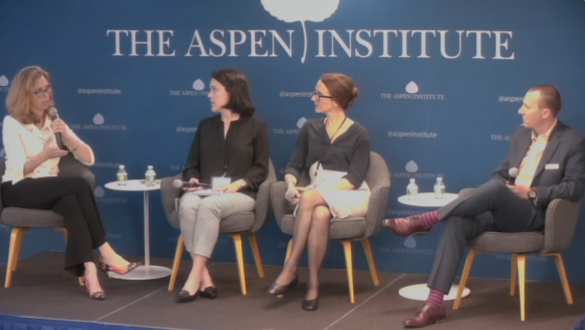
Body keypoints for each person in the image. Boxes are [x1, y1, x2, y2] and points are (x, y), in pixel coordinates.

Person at [383, 85, 585, 327]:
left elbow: (574, 187)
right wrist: (503, 188)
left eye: (527, 106)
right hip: (503, 208)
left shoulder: (573, 141)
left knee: (496, 189)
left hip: (536, 214)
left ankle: (423, 221)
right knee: (458, 220)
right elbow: (500, 173)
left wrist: (531, 191)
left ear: (545, 112)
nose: (520, 110)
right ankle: (434, 304)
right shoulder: (521, 135)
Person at [1, 66, 139, 300]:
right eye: (39, 91)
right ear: (25, 95)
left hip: (50, 190)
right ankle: (105, 252)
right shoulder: (12, 123)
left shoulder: (54, 121)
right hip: (17, 189)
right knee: (76, 184)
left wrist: (66, 135)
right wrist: (45, 154)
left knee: (71, 202)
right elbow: (17, 169)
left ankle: (90, 271)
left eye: (48, 89)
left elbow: (89, 158)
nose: (47, 95)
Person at [268, 73, 371, 311]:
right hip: (316, 192)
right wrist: (292, 185)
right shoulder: (310, 128)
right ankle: (313, 284)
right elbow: (294, 164)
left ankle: (290, 269)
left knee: (312, 196)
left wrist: (316, 191)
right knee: (320, 214)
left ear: (335, 100)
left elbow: (354, 179)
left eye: (318, 94)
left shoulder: (360, 133)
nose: (313, 98)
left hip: (350, 194)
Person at [175, 68, 269, 303]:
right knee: (187, 204)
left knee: (209, 207)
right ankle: (204, 276)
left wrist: (238, 184)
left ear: (232, 92)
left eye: (215, 89)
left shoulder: (256, 126)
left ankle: (193, 276)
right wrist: (194, 180)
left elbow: (260, 168)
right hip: (207, 190)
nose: (210, 94)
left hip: (242, 194)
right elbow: (191, 164)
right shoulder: (206, 125)